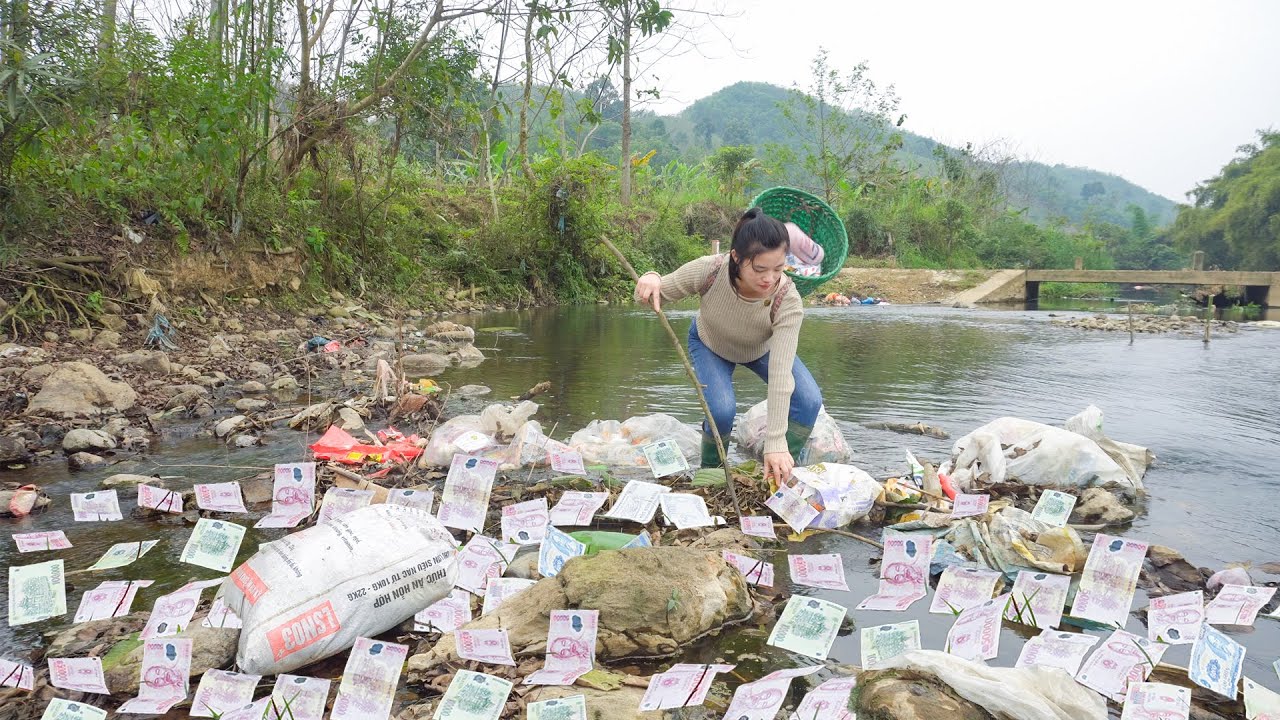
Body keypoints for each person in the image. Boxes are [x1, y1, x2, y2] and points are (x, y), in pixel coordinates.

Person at [634, 208, 823, 484]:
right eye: (759, 269)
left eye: (779, 269)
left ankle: (776, 470)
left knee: (809, 400)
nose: (769, 279)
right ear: (736, 258)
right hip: (712, 343)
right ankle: (711, 475)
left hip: (760, 348)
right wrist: (651, 277)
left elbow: (782, 377)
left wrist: (776, 441)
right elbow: (654, 292)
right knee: (721, 411)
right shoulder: (711, 270)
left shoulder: (788, 300)